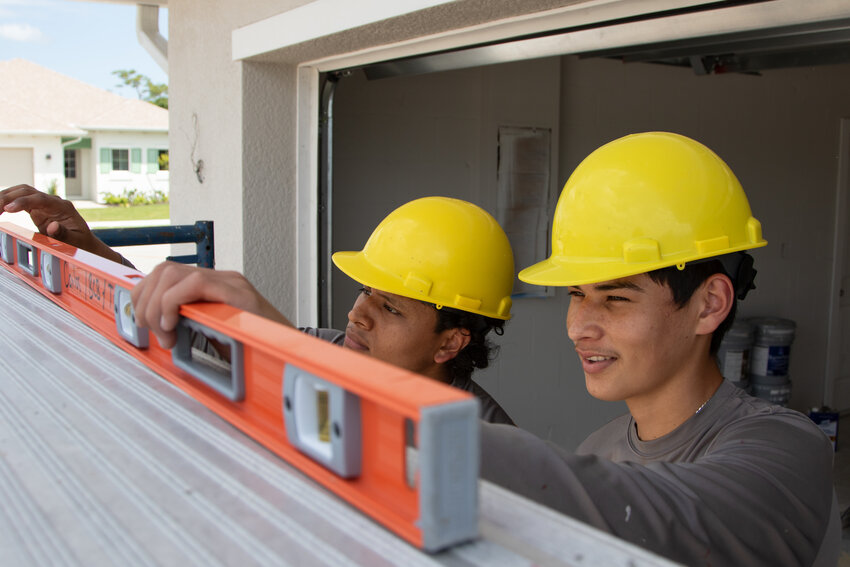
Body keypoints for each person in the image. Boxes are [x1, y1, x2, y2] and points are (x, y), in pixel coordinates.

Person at [478, 132, 839, 566]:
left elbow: (680, 524)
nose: (577, 328)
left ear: (709, 305)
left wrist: (453, 449)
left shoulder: (788, 447)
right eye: (576, 294)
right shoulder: (600, 446)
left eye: (616, 298)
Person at [1, 187, 516, 423]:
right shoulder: (326, 346)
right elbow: (164, 322)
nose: (359, 315)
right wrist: (89, 251)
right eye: (367, 293)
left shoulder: (486, 441)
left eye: (393, 309)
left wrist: (273, 330)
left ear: (451, 341)